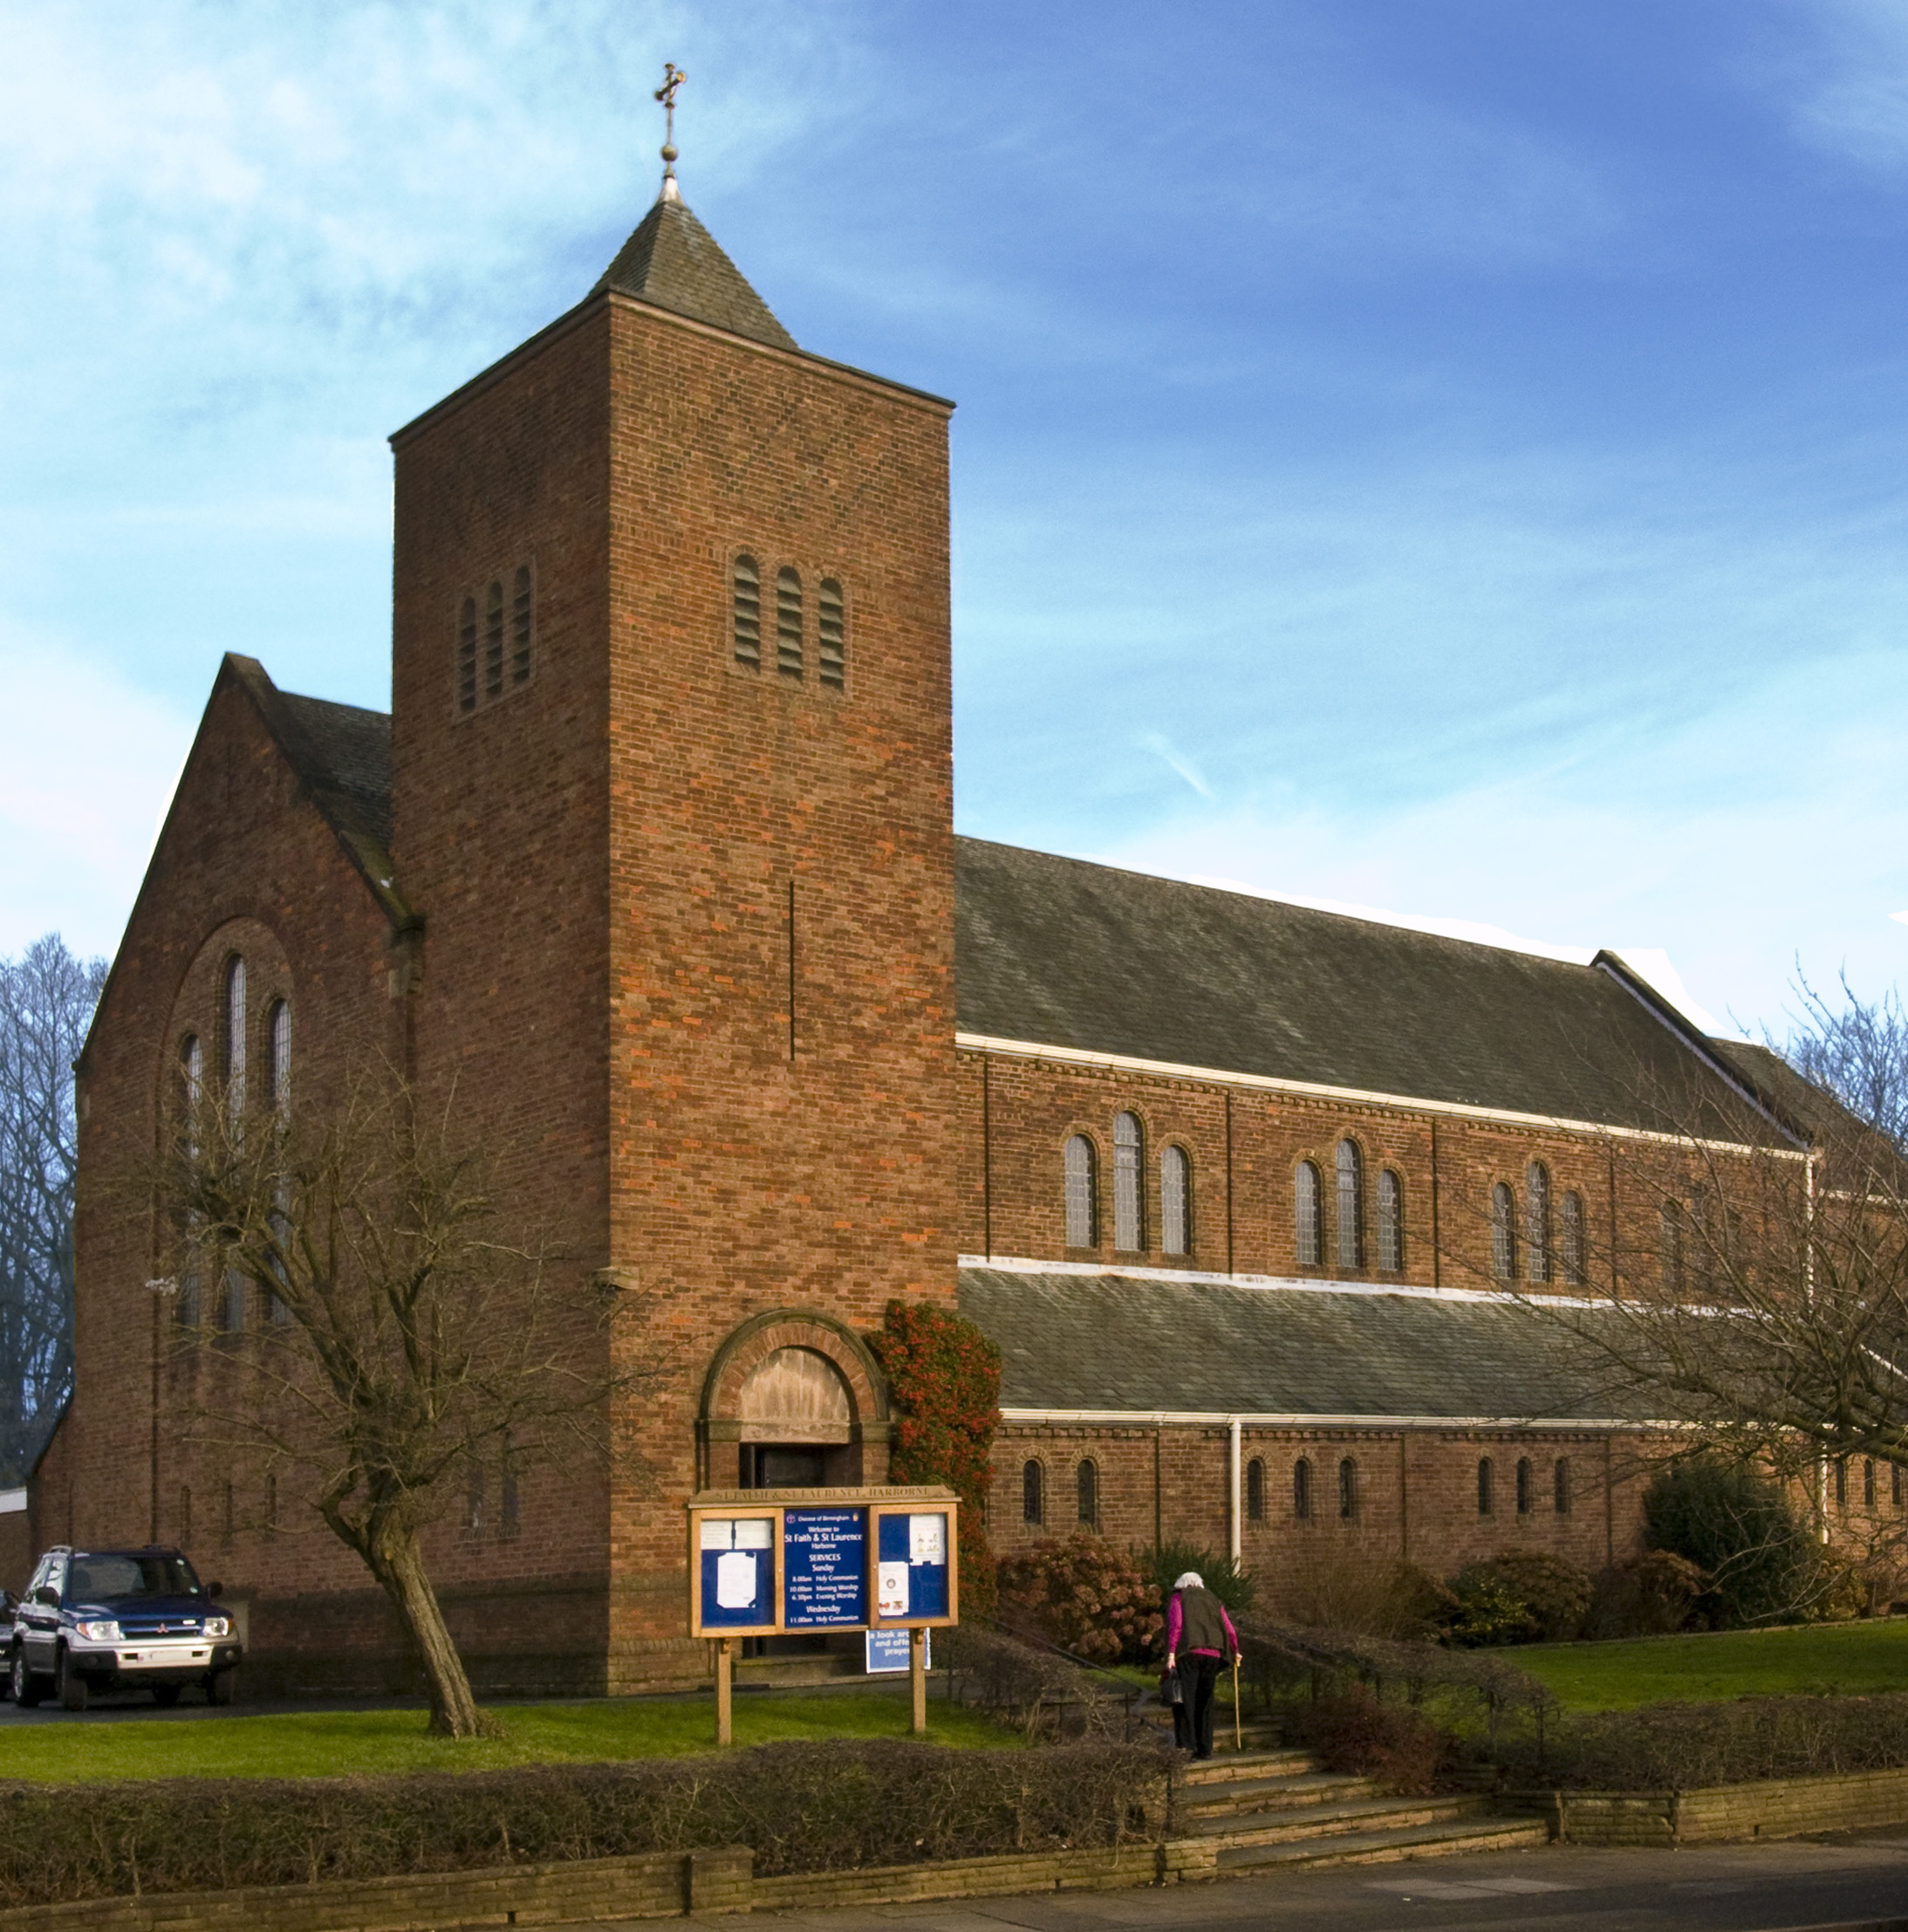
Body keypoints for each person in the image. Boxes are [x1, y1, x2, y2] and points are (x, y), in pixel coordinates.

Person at [1164, 1570, 1238, 1760]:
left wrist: (1171, 1653)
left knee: (1186, 1700)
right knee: (1205, 1702)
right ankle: (1205, 1748)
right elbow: (1228, 1628)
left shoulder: (1179, 1598)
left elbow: (1176, 1625)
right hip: (1213, 1655)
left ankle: (1188, 1746)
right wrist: (1235, 1651)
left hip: (1189, 1653)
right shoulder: (1213, 1599)